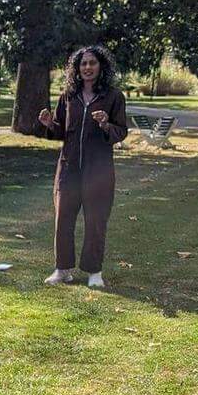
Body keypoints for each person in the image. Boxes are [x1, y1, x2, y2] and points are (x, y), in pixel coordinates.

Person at [39, 44, 129, 288]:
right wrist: (49, 124)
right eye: (83, 63)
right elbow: (60, 130)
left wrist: (105, 125)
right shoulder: (68, 95)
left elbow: (121, 132)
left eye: (92, 63)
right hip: (68, 170)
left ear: (101, 67)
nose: (88, 67)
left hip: (98, 172)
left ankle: (94, 272)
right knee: (63, 219)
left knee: (96, 220)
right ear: (77, 69)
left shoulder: (113, 96)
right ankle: (62, 269)